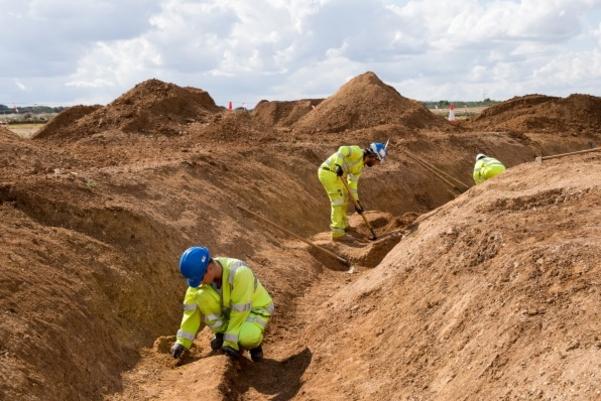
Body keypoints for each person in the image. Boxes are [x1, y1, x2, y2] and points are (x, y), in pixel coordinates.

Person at [170, 246, 274, 362]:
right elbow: (191, 312)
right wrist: (182, 342)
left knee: (247, 337)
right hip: (232, 310)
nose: (199, 282)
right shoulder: (200, 279)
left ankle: (254, 346)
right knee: (199, 295)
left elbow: (240, 310)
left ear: (209, 268)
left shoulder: (240, 273)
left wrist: (230, 343)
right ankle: (223, 333)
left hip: (255, 309)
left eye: (200, 279)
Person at [318, 141, 388, 240]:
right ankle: (337, 233)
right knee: (338, 201)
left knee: (345, 198)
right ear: (373, 156)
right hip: (328, 172)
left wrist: (357, 202)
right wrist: (338, 165)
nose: (376, 163)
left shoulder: (359, 167)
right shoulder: (357, 152)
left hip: (337, 176)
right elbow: (342, 149)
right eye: (377, 161)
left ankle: (344, 226)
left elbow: (352, 185)